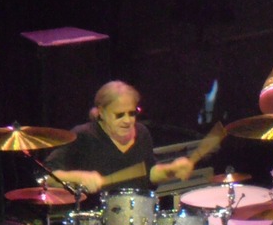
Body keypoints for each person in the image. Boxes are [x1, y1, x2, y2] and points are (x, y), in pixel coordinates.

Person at [45, 80, 194, 194]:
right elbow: (47, 177)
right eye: (119, 115)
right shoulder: (83, 136)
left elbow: (150, 174)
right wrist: (78, 177)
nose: (127, 121)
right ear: (101, 112)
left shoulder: (142, 133)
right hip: (95, 220)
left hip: (138, 216)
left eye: (132, 113)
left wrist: (171, 170)